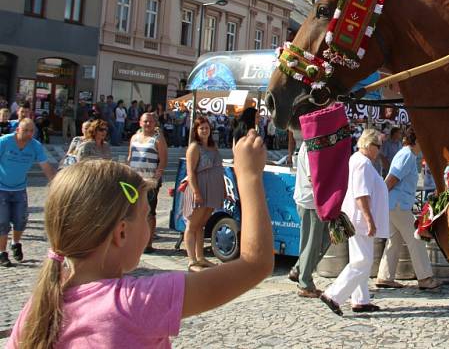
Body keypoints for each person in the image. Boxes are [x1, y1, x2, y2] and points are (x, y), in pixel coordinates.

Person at [7, 130, 273, 347]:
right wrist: (249, 177)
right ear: (121, 232)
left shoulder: (38, 310)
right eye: (146, 216)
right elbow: (255, 264)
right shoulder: (135, 303)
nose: (150, 226)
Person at [320, 129, 389, 316]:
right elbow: (361, 194)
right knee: (362, 261)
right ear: (369, 145)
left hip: (357, 218)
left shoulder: (357, 160)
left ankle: (360, 299)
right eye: (378, 146)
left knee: (360, 258)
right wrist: (370, 220)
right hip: (360, 220)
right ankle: (333, 294)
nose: (380, 151)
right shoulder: (363, 164)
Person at [376, 130, 441, 290]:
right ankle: (425, 278)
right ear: (417, 140)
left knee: (394, 241)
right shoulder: (407, 155)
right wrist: (380, 197)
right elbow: (392, 178)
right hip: (399, 204)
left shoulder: (406, 154)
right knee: (416, 239)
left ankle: (385, 277)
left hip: (394, 204)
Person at [0, 118, 56, 267]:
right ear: (17, 130)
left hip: (19, 188)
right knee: (3, 222)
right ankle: (2, 253)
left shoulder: (35, 146)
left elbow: (45, 166)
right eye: (26, 130)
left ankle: (15, 243)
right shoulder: (4, 142)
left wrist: (56, 184)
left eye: (32, 131)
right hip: (2, 188)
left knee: (20, 220)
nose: (29, 134)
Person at [182, 116, 226, 271]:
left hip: (213, 190)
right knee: (192, 225)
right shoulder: (194, 147)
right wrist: (196, 191)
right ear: (196, 130)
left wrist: (223, 189)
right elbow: (191, 172)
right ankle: (192, 260)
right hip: (200, 188)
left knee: (201, 225)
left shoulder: (213, 147)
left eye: (207, 128)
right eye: (201, 128)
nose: (205, 130)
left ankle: (200, 257)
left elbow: (219, 169)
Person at [288, 141, 331, 297]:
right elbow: (313, 177)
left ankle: (299, 269)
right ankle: (305, 283)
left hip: (315, 201)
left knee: (323, 240)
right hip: (310, 201)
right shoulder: (311, 145)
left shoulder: (317, 144)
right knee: (311, 243)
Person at [128, 112, 169, 253]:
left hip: (150, 181)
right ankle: (134, 241)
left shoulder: (158, 139)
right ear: (140, 122)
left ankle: (148, 243)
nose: (147, 124)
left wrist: (156, 179)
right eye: (145, 121)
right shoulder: (134, 137)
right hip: (134, 181)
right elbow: (130, 157)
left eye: (150, 121)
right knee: (133, 212)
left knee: (149, 213)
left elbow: (163, 161)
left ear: (154, 123)